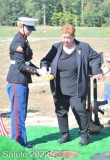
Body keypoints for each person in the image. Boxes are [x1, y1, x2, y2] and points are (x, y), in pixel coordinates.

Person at [40, 24, 104, 146]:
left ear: (74, 36)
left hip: (76, 88)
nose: (66, 40)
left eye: (69, 37)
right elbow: (45, 60)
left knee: (80, 111)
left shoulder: (83, 47)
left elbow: (96, 57)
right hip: (59, 88)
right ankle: (65, 134)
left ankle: (85, 136)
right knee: (61, 112)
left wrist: (96, 70)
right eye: (64, 37)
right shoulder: (56, 47)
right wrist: (44, 68)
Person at [6, 17, 42, 148]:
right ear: (20, 26)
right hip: (17, 80)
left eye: (31, 29)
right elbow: (21, 65)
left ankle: (22, 140)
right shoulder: (18, 42)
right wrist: (35, 71)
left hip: (21, 80)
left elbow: (26, 62)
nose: (30, 31)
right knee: (18, 113)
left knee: (21, 112)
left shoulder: (23, 40)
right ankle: (17, 142)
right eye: (28, 28)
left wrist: (38, 70)